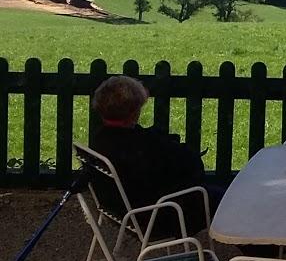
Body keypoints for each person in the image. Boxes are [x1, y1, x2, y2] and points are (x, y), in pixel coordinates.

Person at [89, 75, 220, 236]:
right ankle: (252, 256)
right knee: (231, 202)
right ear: (133, 111)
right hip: (157, 216)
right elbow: (190, 165)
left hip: (127, 213)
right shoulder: (139, 147)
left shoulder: (100, 140)